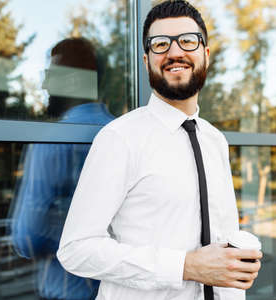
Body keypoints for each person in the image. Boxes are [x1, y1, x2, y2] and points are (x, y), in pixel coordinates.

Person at [57, 1, 262, 299]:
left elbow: (224, 239)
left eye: (187, 41)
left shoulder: (215, 140)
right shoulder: (119, 138)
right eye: (161, 44)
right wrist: (184, 266)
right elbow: (76, 249)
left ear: (205, 54)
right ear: (146, 60)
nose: (175, 52)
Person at [10, 38, 114, 300]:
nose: (44, 85)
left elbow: (27, 239)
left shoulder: (50, 143)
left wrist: (66, 224)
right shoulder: (126, 135)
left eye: (49, 75)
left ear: (72, 81)